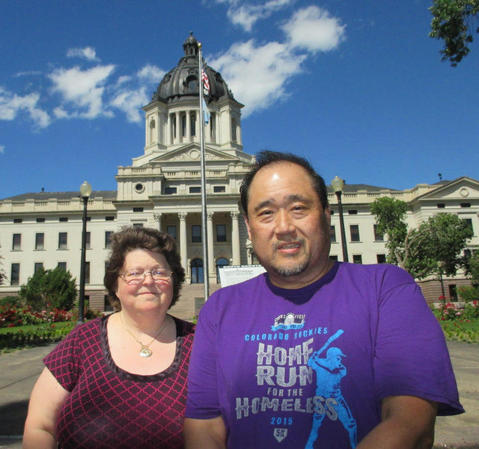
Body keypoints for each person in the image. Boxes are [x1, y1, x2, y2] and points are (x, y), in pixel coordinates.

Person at [184, 151, 464, 449]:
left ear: (326, 213)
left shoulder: (385, 288)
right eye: (265, 213)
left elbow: (410, 423)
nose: (284, 227)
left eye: (299, 208)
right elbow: (204, 425)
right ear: (249, 227)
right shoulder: (220, 308)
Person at [23, 226, 194, 449]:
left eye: (159, 272)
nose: (148, 280)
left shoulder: (198, 342)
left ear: (174, 281)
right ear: (115, 284)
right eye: (134, 273)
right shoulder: (83, 341)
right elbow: (40, 425)